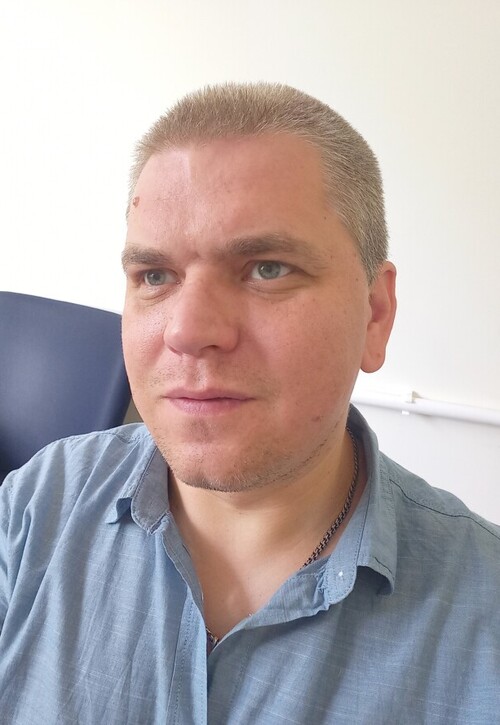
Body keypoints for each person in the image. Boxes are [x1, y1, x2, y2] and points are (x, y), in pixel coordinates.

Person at [0, 83, 499, 724]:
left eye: (267, 268)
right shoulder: (39, 503)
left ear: (375, 314)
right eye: (155, 276)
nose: (187, 331)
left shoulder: (483, 620)